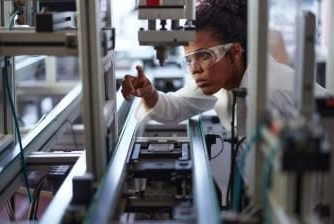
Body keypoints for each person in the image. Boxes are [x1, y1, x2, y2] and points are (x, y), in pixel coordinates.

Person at [121, 0, 327, 130]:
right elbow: (176, 107)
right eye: (189, 60)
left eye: (203, 55)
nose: (194, 69)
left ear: (234, 53)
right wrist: (149, 93)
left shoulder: (274, 94)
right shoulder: (223, 78)